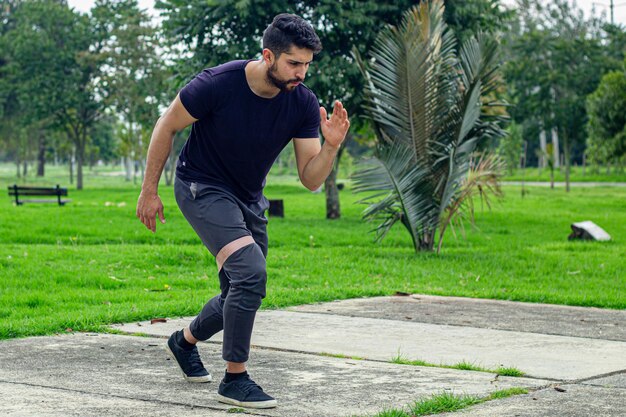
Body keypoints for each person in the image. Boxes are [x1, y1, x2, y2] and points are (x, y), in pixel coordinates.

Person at [136, 13, 350, 410]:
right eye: (293, 63)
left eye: (306, 65)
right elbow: (165, 126)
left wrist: (331, 145)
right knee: (250, 273)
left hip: (248, 198)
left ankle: (183, 343)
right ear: (268, 55)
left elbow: (310, 178)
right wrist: (149, 191)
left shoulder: (302, 103)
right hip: (200, 186)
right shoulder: (217, 84)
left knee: (241, 288)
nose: (301, 73)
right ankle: (235, 378)